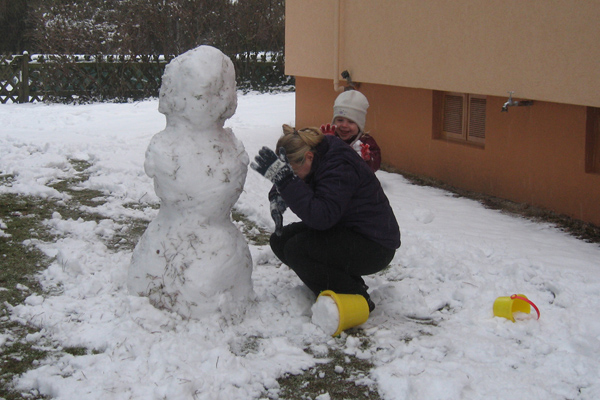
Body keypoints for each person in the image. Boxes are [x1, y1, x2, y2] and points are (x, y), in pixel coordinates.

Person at [250, 124, 401, 311]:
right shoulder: (317, 153)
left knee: (297, 250)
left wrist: (287, 183)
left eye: (294, 174)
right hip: (346, 228)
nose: (295, 177)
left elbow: (322, 218)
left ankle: (357, 298)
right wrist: (278, 195)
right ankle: (344, 282)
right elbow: (294, 178)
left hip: (375, 245)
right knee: (280, 240)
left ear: (309, 157)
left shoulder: (339, 166)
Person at [321, 90, 382, 172]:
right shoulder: (331, 137)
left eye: (351, 122)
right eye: (340, 120)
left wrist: (368, 159)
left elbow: (376, 163)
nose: (344, 125)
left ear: (359, 125)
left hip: (356, 178)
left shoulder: (366, 142)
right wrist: (326, 142)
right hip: (331, 177)